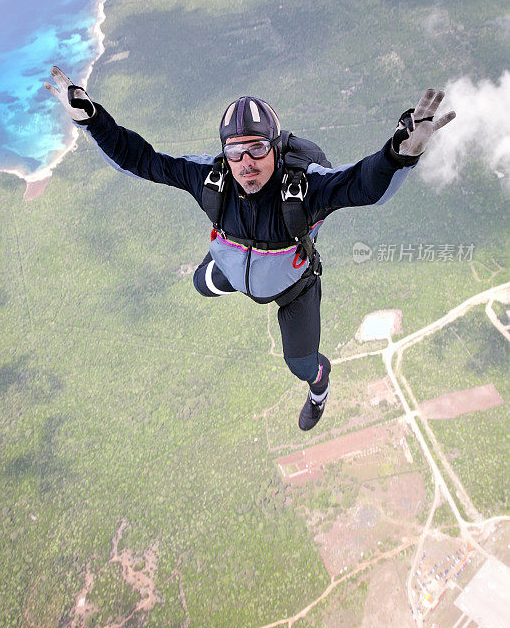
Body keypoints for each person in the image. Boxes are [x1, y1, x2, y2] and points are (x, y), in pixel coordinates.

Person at [45, 67, 455, 430]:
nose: (246, 162)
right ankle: (233, 276)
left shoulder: (305, 190)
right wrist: (92, 120)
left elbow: (363, 185)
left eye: (257, 148)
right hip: (235, 265)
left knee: (301, 365)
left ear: (275, 146)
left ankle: (319, 390)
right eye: (235, 151)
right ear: (224, 153)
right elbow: (143, 160)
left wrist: (399, 154)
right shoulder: (211, 179)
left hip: (292, 288)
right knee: (200, 283)